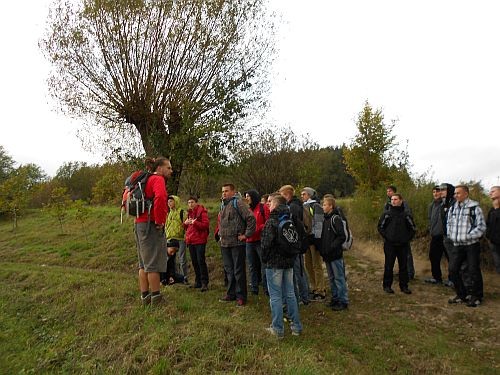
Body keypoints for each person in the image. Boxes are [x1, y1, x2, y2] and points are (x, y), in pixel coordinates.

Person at [261, 195, 303, 338]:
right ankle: (296, 327)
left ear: (276, 204)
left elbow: (266, 244)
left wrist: (264, 259)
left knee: (276, 296)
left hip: (274, 264)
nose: (268, 204)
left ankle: (278, 329)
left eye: (270, 201)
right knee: (290, 294)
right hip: (289, 262)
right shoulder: (290, 219)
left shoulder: (271, 221)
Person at [135, 157, 173, 306]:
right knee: (153, 264)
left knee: (143, 263)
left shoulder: (145, 179)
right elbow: (161, 197)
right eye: (168, 168)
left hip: (139, 223)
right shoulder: (157, 179)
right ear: (160, 168)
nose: (171, 171)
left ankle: (145, 297)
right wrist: (160, 221)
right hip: (150, 224)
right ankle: (156, 298)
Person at [215, 183, 256, 306]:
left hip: (237, 243)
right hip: (225, 243)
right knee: (229, 270)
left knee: (238, 271)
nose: (224, 193)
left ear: (233, 192)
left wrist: (246, 235)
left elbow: (251, 218)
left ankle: (241, 296)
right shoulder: (222, 205)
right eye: (223, 191)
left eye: (227, 191)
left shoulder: (238, 203)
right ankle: (231, 294)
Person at [447, 185, 486, 307]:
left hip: (471, 245)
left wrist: (467, 236)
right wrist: (451, 235)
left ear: (466, 194)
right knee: (453, 270)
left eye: (458, 193)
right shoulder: (453, 208)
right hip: (457, 245)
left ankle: (476, 296)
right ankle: (461, 294)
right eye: (454, 193)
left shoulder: (474, 208)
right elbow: (448, 224)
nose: (455, 195)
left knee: (473, 270)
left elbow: (481, 227)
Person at [378, 193, 416, 295]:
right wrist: (387, 237)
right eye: (392, 199)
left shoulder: (406, 215)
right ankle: (387, 286)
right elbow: (380, 227)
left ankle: (404, 286)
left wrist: (406, 239)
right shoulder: (386, 214)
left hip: (403, 245)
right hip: (390, 245)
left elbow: (412, 229)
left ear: (401, 201)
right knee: (388, 265)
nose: (393, 201)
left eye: (395, 199)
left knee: (403, 266)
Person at [279, 185, 310, 305]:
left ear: (287, 194)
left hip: (296, 244)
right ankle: (303, 295)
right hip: (297, 243)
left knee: (299, 271)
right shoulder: (295, 205)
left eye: (281, 195)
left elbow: (294, 227)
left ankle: (304, 297)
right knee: (299, 270)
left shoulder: (293, 207)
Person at [319, 195, 349, 311]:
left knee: (339, 278)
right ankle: (335, 298)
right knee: (331, 278)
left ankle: (343, 301)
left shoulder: (335, 219)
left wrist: (332, 246)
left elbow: (342, 236)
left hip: (335, 254)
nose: (323, 207)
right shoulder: (325, 219)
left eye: (325, 205)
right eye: (323, 204)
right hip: (327, 255)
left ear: (331, 206)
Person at [384, 185, 416, 280]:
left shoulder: (403, 203)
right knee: (392, 256)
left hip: (402, 234)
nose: (388, 193)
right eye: (387, 191)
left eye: (390, 191)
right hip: (391, 235)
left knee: (407, 255)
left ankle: (410, 273)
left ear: (394, 192)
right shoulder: (387, 204)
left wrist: (406, 234)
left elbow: (408, 216)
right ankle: (400, 273)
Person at [301, 187, 327, 301]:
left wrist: (317, 240)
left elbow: (319, 223)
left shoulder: (316, 206)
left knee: (317, 265)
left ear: (310, 195)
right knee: (308, 264)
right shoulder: (303, 206)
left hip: (314, 240)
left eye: (304, 194)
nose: (302, 196)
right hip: (306, 240)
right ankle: (313, 287)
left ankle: (320, 289)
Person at [244, 189, 270, 296]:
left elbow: (268, 222)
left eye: (248, 196)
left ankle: (266, 287)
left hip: (260, 240)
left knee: (264, 264)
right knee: (252, 265)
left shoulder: (262, 208)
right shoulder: (246, 209)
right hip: (249, 241)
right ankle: (254, 288)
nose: (247, 199)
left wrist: (257, 228)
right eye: (245, 196)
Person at [184, 196, 210, 291]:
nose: (190, 204)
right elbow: (187, 227)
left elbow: (205, 225)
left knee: (200, 261)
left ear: (196, 202)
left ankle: (204, 282)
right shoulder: (189, 213)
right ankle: (198, 281)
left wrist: (195, 223)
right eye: (189, 202)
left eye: (192, 202)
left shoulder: (202, 211)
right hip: (191, 240)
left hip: (200, 240)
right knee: (194, 262)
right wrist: (185, 223)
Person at [425, 186, 449, 285]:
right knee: (433, 256)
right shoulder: (431, 205)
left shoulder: (446, 204)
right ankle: (437, 278)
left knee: (450, 258)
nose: (435, 194)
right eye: (434, 192)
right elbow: (430, 219)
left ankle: (453, 279)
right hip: (435, 236)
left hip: (446, 236)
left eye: (438, 191)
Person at [165, 195, 188, 284]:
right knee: (171, 260)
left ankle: (184, 277)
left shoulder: (182, 212)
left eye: (171, 201)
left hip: (180, 238)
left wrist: (186, 236)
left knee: (182, 259)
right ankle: (174, 277)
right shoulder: (168, 213)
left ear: (176, 201)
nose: (169, 203)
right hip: (170, 239)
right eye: (168, 202)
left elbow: (186, 225)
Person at [486, 186, 500, 274]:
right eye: (490, 191)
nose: (490, 193)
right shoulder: (492, 209)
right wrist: (488, 236)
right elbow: (488, 224)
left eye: (493, 191)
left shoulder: (495, 208)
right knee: (498, 265)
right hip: (494, 243)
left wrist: (497, 209)